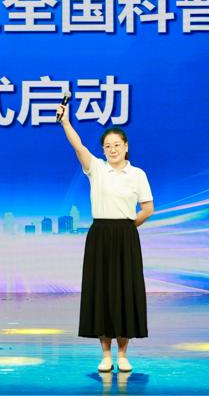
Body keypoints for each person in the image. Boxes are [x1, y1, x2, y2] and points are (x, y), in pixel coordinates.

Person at [56, 102, 153, 373]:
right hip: (100, 236)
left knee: (125, 293)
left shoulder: (137, 174)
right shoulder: (96, 169)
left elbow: (148, 208)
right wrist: (65, 122)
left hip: (126, 237)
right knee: (102, 293)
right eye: (107, 146)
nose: (112, 150)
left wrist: (128, 226)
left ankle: (123, 354)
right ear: (103, 150)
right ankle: (106, 354)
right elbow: (78, 147)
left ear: (126, 146)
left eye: (117, 145)